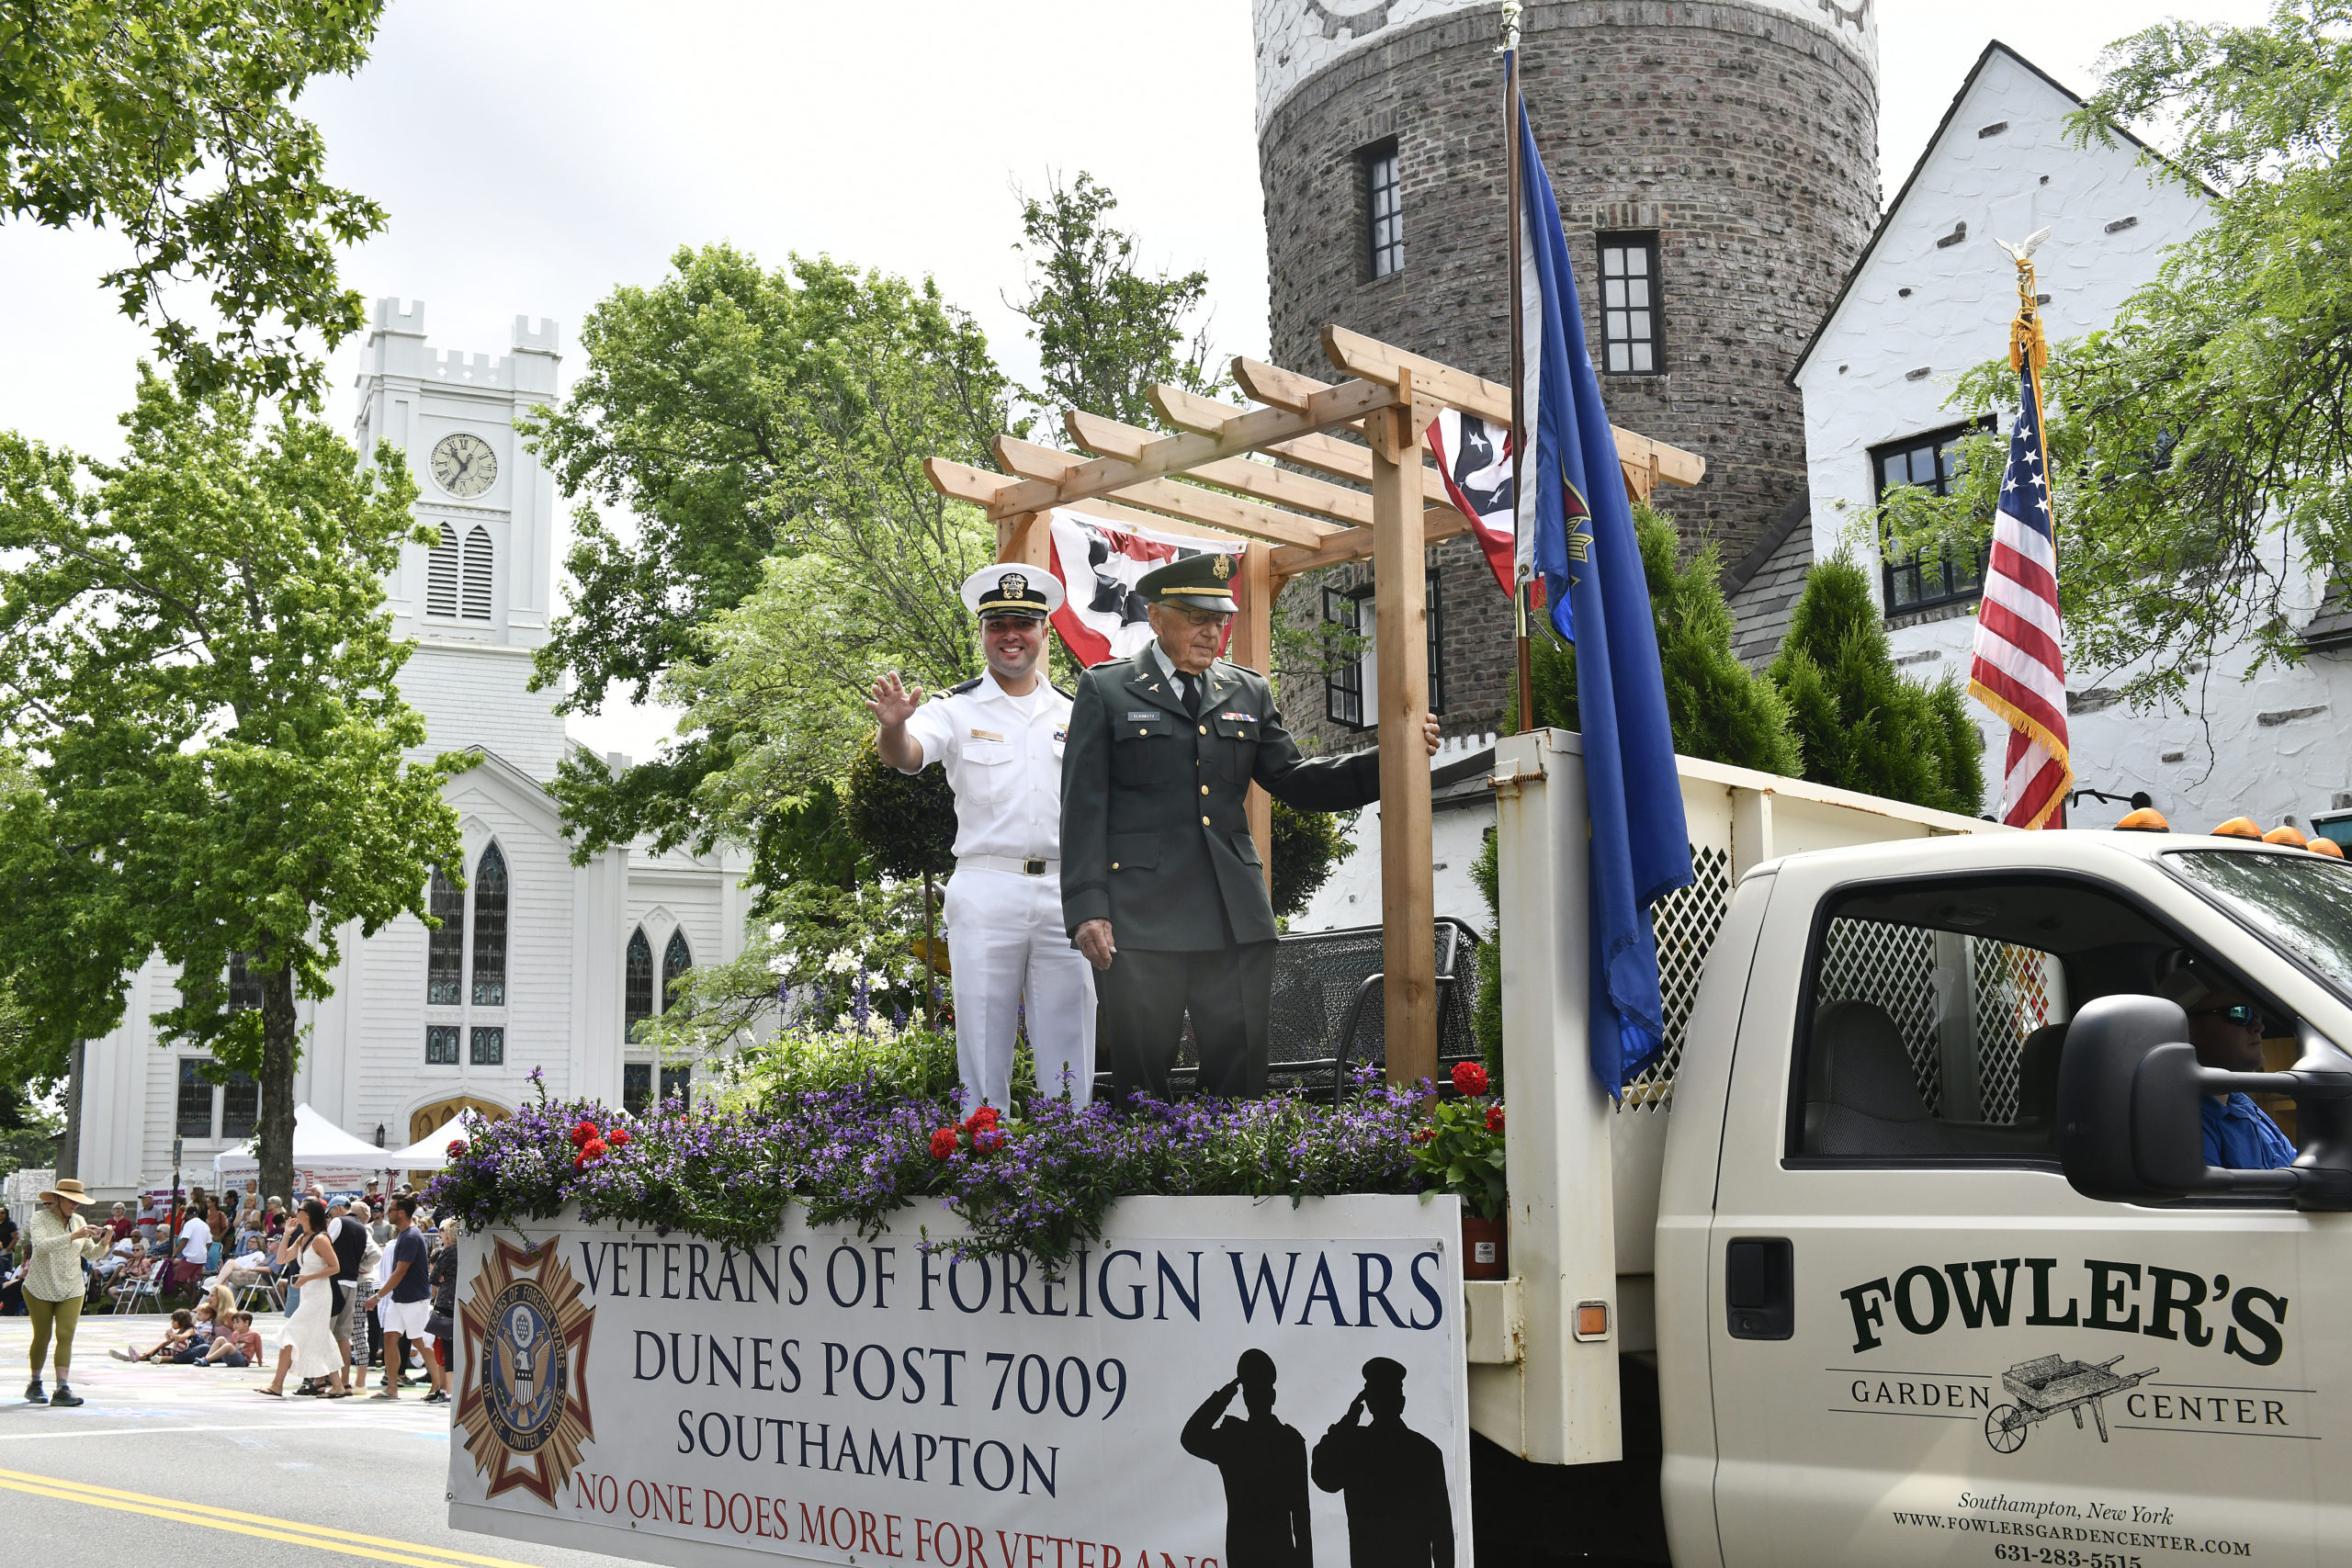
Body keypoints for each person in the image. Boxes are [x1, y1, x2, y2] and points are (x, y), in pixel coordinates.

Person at [1061, 552, 1441, 1103]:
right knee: (1140, 1081)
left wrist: (1392, 759)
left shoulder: (1247, 691)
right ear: (1157, 614)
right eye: (1197, 618)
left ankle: (1234, 1189)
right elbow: (1083, 806)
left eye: (1219, 620)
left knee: (1240, 1080)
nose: (1212, 632)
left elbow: (1295, 778)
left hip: (1232, 916)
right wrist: (1087, 907)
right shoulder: (1108, 689)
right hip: (1140, 919)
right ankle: (1142, 1188)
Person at [869, 563, 1096, 1113]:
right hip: (986, 884)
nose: (1010, 635)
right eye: (997, 624)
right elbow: (906, 757)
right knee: (983, 1031)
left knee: (1071, 1036)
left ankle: (1069, 1155)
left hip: (1064, 891)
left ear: (1045, 631)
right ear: (982, 633)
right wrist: (894, 725)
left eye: (1023, 621)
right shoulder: (954, 708)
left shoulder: (1078, 711)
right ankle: (984, 1152)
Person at [1310, 1358, 1453, 1568]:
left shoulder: (1354, 1445)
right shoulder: (1426, 1452)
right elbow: (1442, 1533)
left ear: (1368, 1402)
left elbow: (1323, 1476)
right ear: (1401, 1403)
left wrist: (1347, 1422)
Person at [1181, 1349, 1312, 1568]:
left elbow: (1191, 1436)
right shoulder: (1289, 1441)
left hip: (1244, 1555)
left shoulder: (1233, 1440)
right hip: (1277, 1556)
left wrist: (1227, 1393)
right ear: (1273, 1396)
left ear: (1245, 1398)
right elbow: (1301, 1518)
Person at [2164, 968, 2296, 1169]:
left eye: (2256, 1014)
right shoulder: (2181, 1120)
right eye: (2239, 1013)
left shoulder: (2244, 1105)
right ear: (2189, 1029)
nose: (2258, 1026)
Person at [22, 1178, 110, 1405]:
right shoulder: (39, 1218)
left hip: (71, 1287)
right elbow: (41, 1245)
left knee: (66, 1334)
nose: (75, 1205)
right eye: (71, 1200)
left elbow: (91, 1255)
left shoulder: (79, 1220)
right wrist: (74, 1235)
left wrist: (105, 1241)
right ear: (57, 1198)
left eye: (78, 1202)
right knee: (42, 1336)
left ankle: (62, 1389)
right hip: (40, 1286)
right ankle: (35, 1383)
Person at [257, 1201, 345, 1398]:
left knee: (289, 1333)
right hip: (308, 1293)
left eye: (300, 1210)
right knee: (321, 1338)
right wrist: (287, 1234)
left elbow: (335, 1267)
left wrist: (308, 1277)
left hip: (319, 1294)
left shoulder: (321, 1239)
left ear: (309, 1214)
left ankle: (277, 1384)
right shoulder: (303, 1237)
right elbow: (281, 1260)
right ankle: (338, 1385)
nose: (296, 1213)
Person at [364, 1197, 432, 1400]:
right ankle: (392, 1388)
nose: (387, 1213)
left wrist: (377, 1296)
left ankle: (439, 1385)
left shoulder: (411, 1236)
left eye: (391, 1210)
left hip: (414, 1298)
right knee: (389, 1338)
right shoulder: (405, 1234)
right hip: (400, 1298)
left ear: (401, 1212)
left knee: (419, 1341)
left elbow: (400, 1271)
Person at [420, 1217, 458, 1404]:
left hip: (446, 1302)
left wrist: (441, 1277)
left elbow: (433, 1277)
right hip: (465, 1301)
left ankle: (448, 1390)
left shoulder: (449, 1251)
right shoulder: (468, 1251)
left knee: (447, 1348)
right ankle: (453, 1389)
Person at [116, 1307, 198, 1365]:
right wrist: (152, 1351)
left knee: (164, 1353)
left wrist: (171, 1334)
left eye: (174, 1321)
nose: (172, 1323)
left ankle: (140, 1358)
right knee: (160, 1351)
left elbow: (182, 1338)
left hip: (190, 1353)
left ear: (181, 1321)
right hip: (180, 1352)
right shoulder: (180, 1331)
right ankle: (140, 1357)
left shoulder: (190, 1330)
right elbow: (167, 1342)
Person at [197, 1310, 264, 1369]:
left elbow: (258, 1349)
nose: (234, 1325)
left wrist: (260, 1362)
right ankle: (207, 1359)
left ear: (246, 1323)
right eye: (233, 1322)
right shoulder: (235, 1333)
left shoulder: (254, 1334)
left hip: (242, 1361)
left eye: (237, 1322)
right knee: (220, 1339)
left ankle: (206, 1360)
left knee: (228, 1345)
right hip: (232, 1358)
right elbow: (233, 1348)